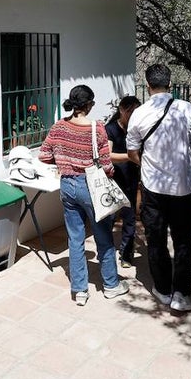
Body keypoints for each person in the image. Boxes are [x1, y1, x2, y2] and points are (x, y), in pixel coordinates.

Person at [39, 85, 128, 306]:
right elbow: (107, 166)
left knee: (75, 239)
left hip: (67, 185)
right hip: (91, 187)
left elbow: (43, 155)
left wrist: (63, 162)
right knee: (104, 237)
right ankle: (110, 285)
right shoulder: (96, 128)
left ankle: (79, 291)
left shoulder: (59, 126)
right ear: (88, 105)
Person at [126, 64, 191, 313]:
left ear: (148, 86)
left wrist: (150, 164)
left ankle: (162, 288)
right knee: (183, 241)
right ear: (171, 84)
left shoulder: (139, 113)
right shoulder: (186, 108)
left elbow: (132, 152)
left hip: (153, 188)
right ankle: (182, 294)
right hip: (183, 187)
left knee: (155, 239)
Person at [105, 95, 142, 268]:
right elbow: (108, 155)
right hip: (114, 179)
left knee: (129, 217)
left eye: (136, 112)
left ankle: (126, 254)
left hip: (132, 179)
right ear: (121, 110)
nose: (133, 115)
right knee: (110, 217)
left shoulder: (138, 128)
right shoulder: (111, 129)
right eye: (130, 111)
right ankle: (106, 250)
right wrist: (130, 157)